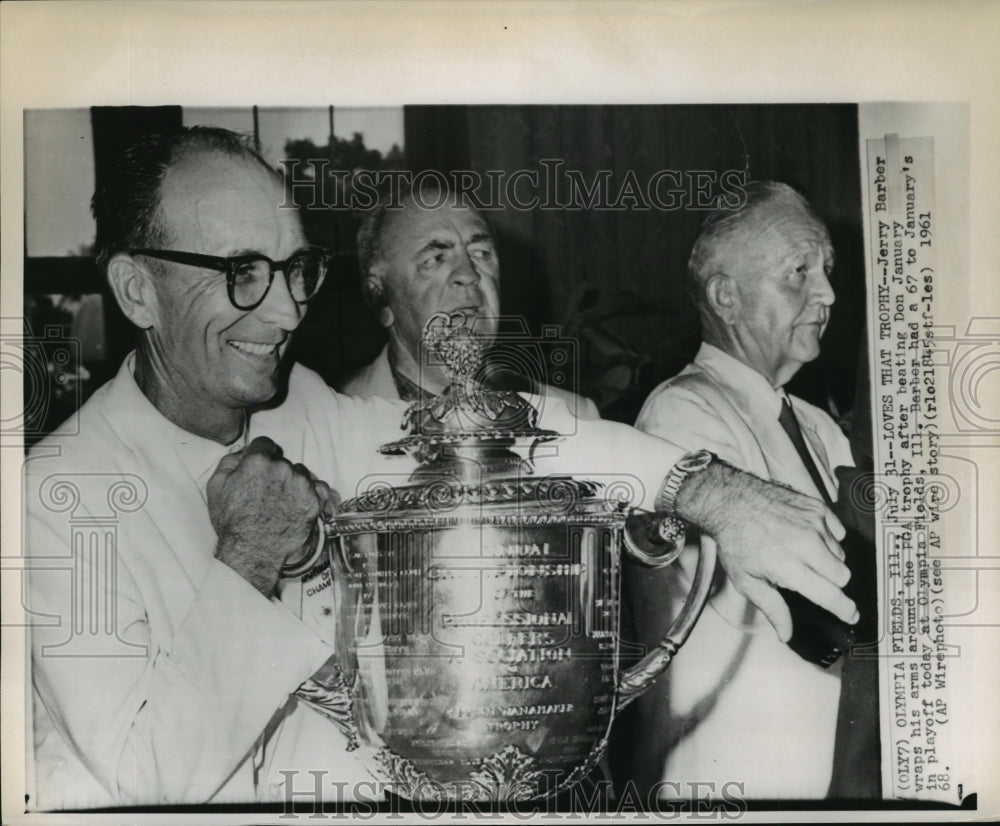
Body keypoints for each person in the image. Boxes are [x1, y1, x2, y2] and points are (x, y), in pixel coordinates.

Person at [24, 133, 856, 809]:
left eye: (294, 269)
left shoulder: (304, 410)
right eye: (242, 273)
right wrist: (246, 561)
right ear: (136, 290)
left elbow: (522, 441)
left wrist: (711, 491)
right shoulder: (63, 495)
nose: (284, 312)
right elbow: (144, 783)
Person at [618, 181, 863, 800]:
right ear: (726, 296)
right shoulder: (681, 416)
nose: (828, 292)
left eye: (827, 270)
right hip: (736, 786)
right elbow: (823, 618)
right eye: (798, 272)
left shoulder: (818, 425)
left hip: (837, 780)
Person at [338, 184, 600, 420]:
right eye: (435, 259)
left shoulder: (573, 417)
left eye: (481, 253)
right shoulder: (330, 420)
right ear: (380, 299)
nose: (469, 274)